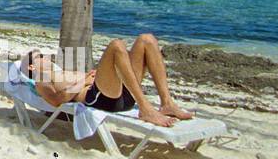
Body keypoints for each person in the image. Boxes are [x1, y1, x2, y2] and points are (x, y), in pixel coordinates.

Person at [23, 34, 193, 128]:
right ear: (32, 67)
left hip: (117, 92)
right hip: (100, 99)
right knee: (116, 45)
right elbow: (56, 100)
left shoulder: (61, 72)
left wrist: (91, 76)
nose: (45, 57)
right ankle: (145, 108)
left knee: (146, 40)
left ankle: (167, 103)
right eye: (39, 57)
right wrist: (83, 81)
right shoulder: (41, 78)